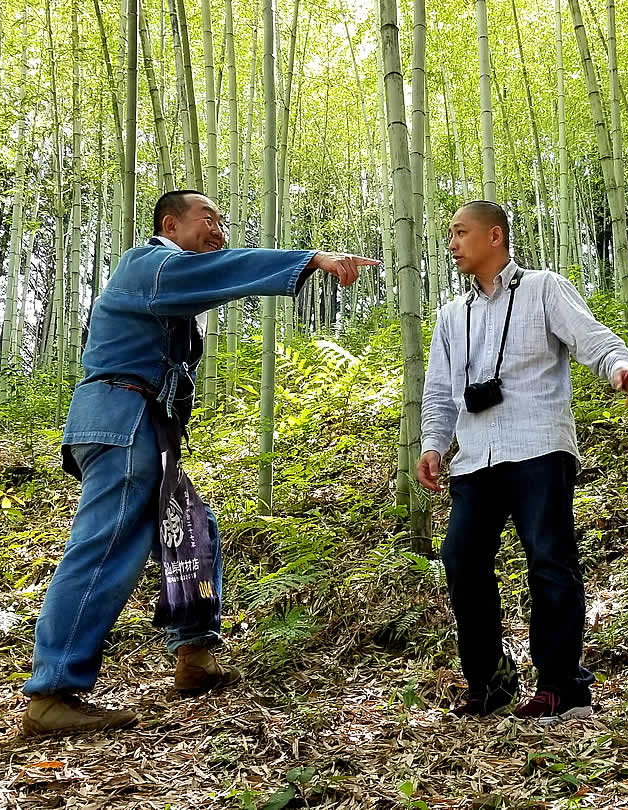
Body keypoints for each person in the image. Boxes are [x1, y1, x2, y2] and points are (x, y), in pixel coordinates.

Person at [22, 190, 377, 736]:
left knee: (191, 529)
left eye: (223, 220)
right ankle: (53, 689)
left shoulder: (171, 277)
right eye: (208, 218)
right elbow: (223, 269)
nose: (218, 229)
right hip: (123, 420)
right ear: (171, 223)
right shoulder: (151, 263)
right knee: (105, 547)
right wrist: (311, 259)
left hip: (142, 425)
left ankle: (195, 655)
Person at [416, 201, 628, 723]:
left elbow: (593, 338)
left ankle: (563, 685)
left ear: (494, 236)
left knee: (549, 559)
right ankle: (491, 680)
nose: (451, 243)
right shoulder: (453, 315)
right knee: (461, 559)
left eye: (459, 232)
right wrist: (434, 445)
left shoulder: (544, 288)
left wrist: (619, 367)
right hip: (474, 457)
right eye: (449, 233)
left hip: (538, 446)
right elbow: (439, 392)